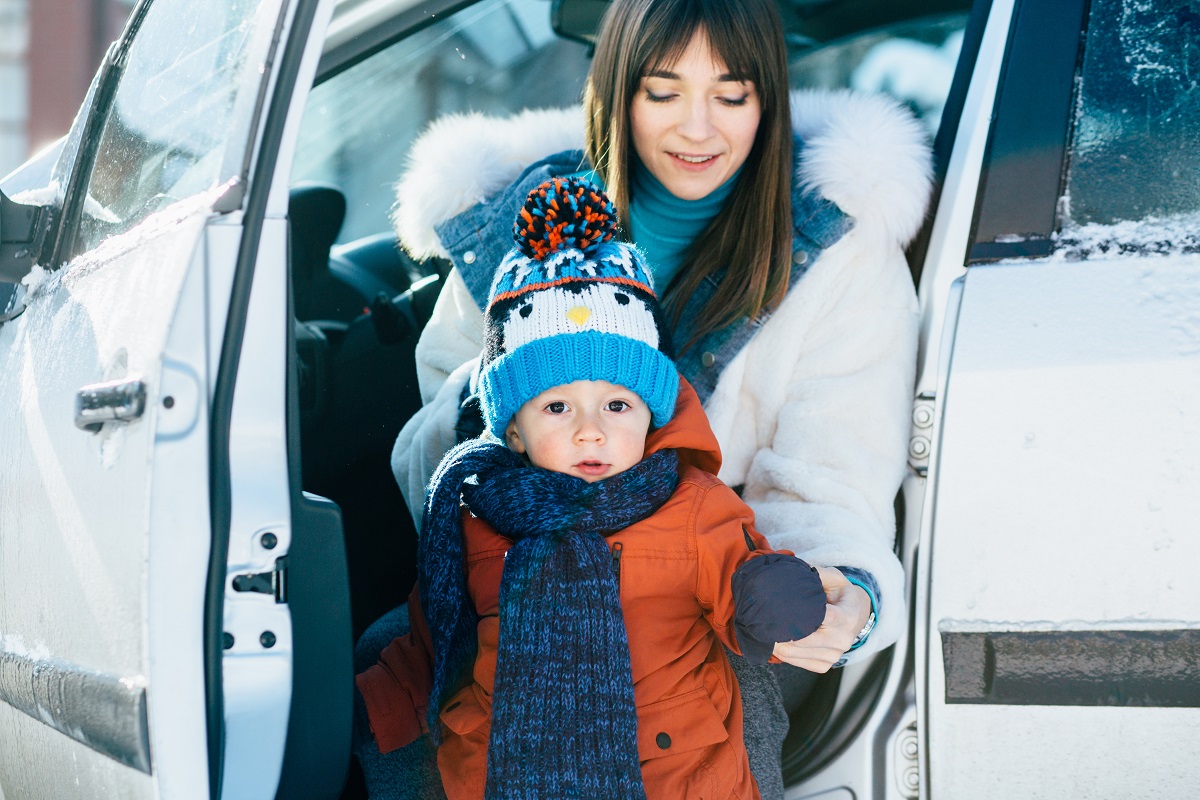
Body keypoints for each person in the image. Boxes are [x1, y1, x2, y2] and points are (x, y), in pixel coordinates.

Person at [371, 0, 931, 795]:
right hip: (522, 565)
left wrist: (836, 596)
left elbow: (831, 485)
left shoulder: (838, 251)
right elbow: (435, 442)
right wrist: (521, 420)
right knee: (392, 684)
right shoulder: (524, 229)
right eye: (664, 94)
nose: (697, 129)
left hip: (715, 591)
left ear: (767, 101)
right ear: (616, 93)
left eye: (730, 95)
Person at [359, 176, 832, 799]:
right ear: (516, 433)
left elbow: (739, 578)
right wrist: (391, 695)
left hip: (673, 774)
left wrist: (774, 593)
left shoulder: (690, 506)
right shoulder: (476, 513)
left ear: (651, 415)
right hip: (509, 771)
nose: (591, 433)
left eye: (615, 405)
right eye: (557, 408)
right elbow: (440, 626)